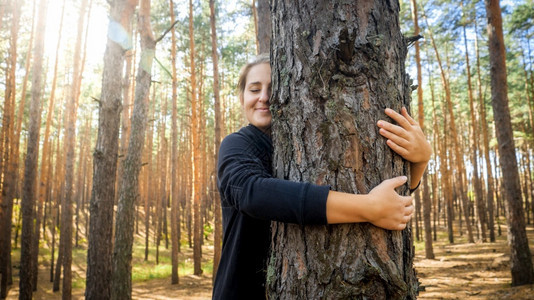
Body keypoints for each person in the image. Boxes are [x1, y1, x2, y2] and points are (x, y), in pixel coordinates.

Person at [212, 54, 432, 299]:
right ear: (242, 98)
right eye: (254, 89)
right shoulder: (237, 144)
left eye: (273, 89)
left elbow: (391, 203)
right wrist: (368, 207)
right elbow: (252, 194)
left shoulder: (303, 142)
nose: (264, 97)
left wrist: (420, 160)